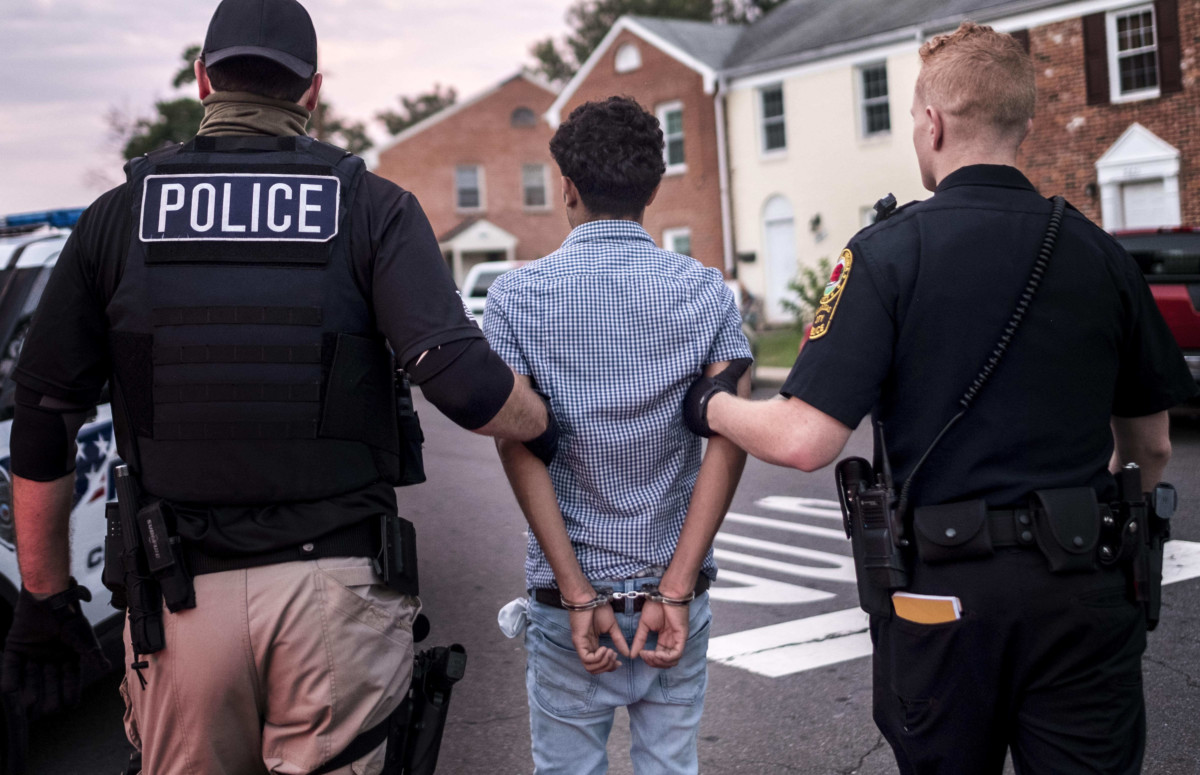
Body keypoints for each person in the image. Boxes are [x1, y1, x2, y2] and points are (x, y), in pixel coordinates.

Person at [0, 0, 556, 772]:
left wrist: (43, 597)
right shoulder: (371, 206)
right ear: (311, 91)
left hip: (178, 597)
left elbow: (44, 414)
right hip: (336, 593)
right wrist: (542, 416)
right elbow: (464, 384)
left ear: (202, 81)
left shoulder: (118, 217)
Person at [684, 21, 1197, 775]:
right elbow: (1151, 446)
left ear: (932, 122)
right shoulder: (1100, 252)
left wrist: (710, 406)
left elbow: (803, 440)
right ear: (1024, 123)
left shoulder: (885, 252)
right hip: (1086, 589)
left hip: (943, 598)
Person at [484, 96, 753, 775]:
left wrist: (577, 593)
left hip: (567, 600)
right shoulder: (708, 292)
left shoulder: (515, 299)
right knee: (671, 765)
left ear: (567, 188)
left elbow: (517, 442)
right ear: (654, 188)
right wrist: (676, 588)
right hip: (673, 592)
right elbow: (731, 435)